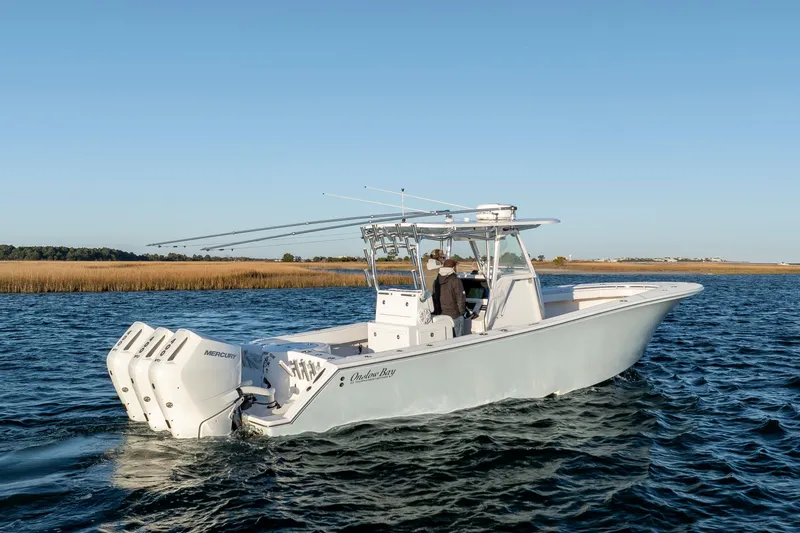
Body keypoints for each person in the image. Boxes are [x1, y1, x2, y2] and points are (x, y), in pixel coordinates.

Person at [433, 258, 468, 337]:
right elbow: (461, 299)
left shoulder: (437, 279)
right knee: (458, 341)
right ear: (453, 267)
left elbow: (435, 296)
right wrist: (462, 313)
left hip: (441, 315)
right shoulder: (455, 280)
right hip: (454, 315)